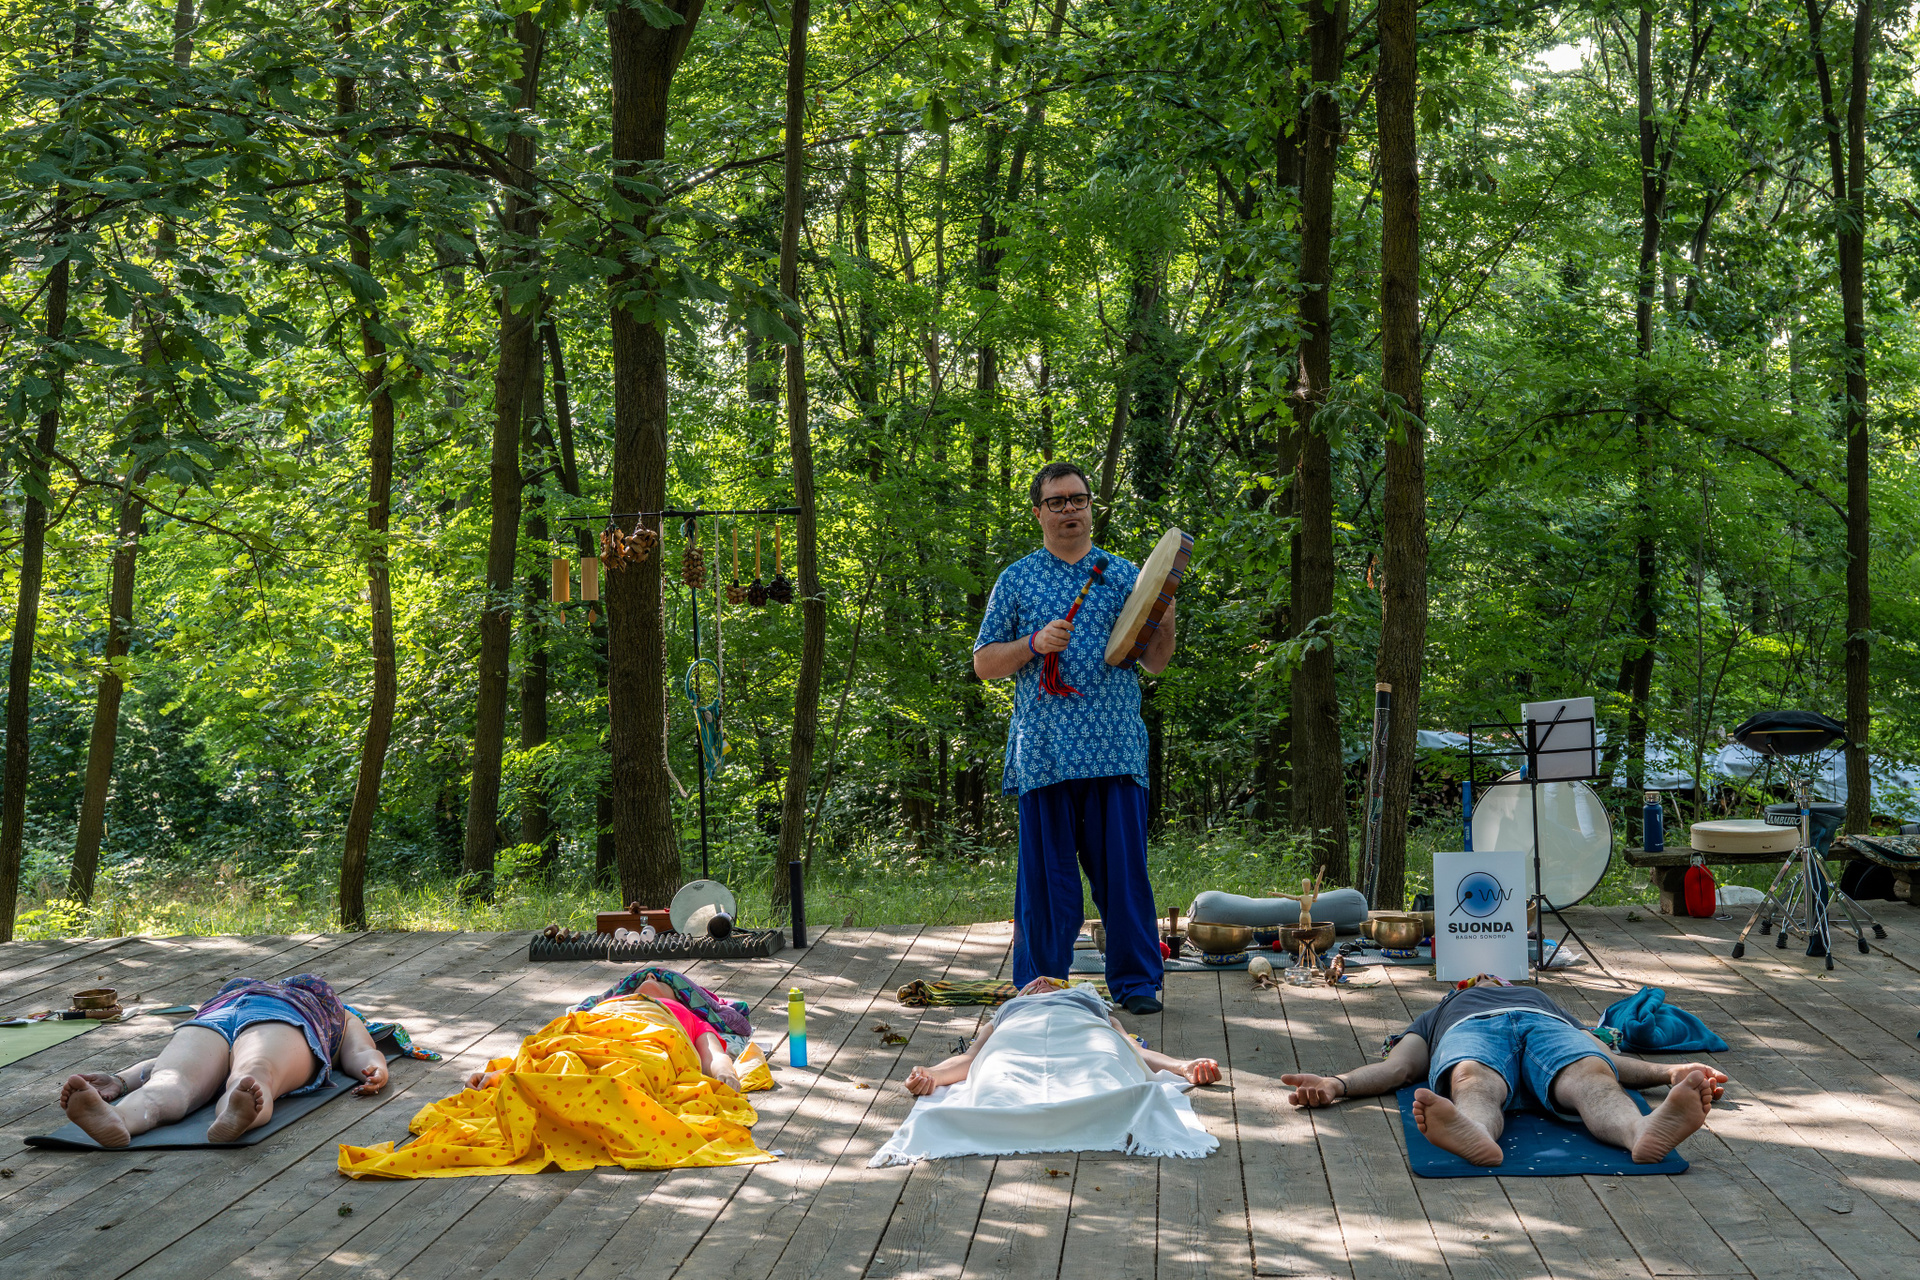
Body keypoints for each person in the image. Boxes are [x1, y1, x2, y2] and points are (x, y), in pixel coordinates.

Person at [973, 461, 1177, 1015]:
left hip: (1115, 750)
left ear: (1091, 507)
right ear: (1038, 512)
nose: (1070, 509)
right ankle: (1042, 987)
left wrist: (1165, 612)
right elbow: (985, 664)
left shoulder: (1126, 576)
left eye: (1079, 499)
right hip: (1045, 754)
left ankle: (1137, 984)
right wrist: (1033, 644)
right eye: (1058, 501)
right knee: (1047, 885)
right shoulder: (1017, 579)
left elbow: (1156, 663)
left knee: (1124, 879)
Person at [1279, 979, 1728, 1166]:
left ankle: (1641, 1131)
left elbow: (1601, 1053)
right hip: (1470, 1029)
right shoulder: (1439, 1012)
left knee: (1594, 1074)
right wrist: (1336, 1084)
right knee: (1472, 1079)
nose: (1486, 977)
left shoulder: (1541, 997)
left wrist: (1669, 1073)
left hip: (1545, 1025)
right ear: (1461, 987)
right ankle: (1473, 1132)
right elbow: (1397, 1068)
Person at [870, 977, 1220, 1166]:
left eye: (1050, 982)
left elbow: (1134, 1051)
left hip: (1086, 1036)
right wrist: (931, 1074)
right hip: (1015, 1042)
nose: (1039, 983)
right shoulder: (1007, 1013)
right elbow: (971, 1058)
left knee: (1104, 1066)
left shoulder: (1092, 1008)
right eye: (1032, 985)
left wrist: (1183, 1067)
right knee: (997, 1076)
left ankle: (1110, 1106)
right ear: (1019, 997)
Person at [59, 974, 387, 1148]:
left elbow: (360, 1051)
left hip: (286, 1017)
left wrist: (375, 1069)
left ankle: (234, 1111)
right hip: (219, 1016)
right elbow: (159, 1063)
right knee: (172, 1078)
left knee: (250, 1072)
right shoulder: (335, 1009)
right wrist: (120, 1080)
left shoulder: (345, 1016)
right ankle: (116, 1119)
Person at [464, 971, 746, 1093]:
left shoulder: (690, 1018)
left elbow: (713, 1054)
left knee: (629, 1071)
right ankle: (517, 1080)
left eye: (664, 981)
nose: (650, 976)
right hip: (594, 1031)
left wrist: (726, 1075)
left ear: (682, 999)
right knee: (564, 1054)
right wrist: (503, 1072)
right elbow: (555, 1040)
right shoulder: (604, 1006)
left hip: (650, 1042)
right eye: (643, 978)